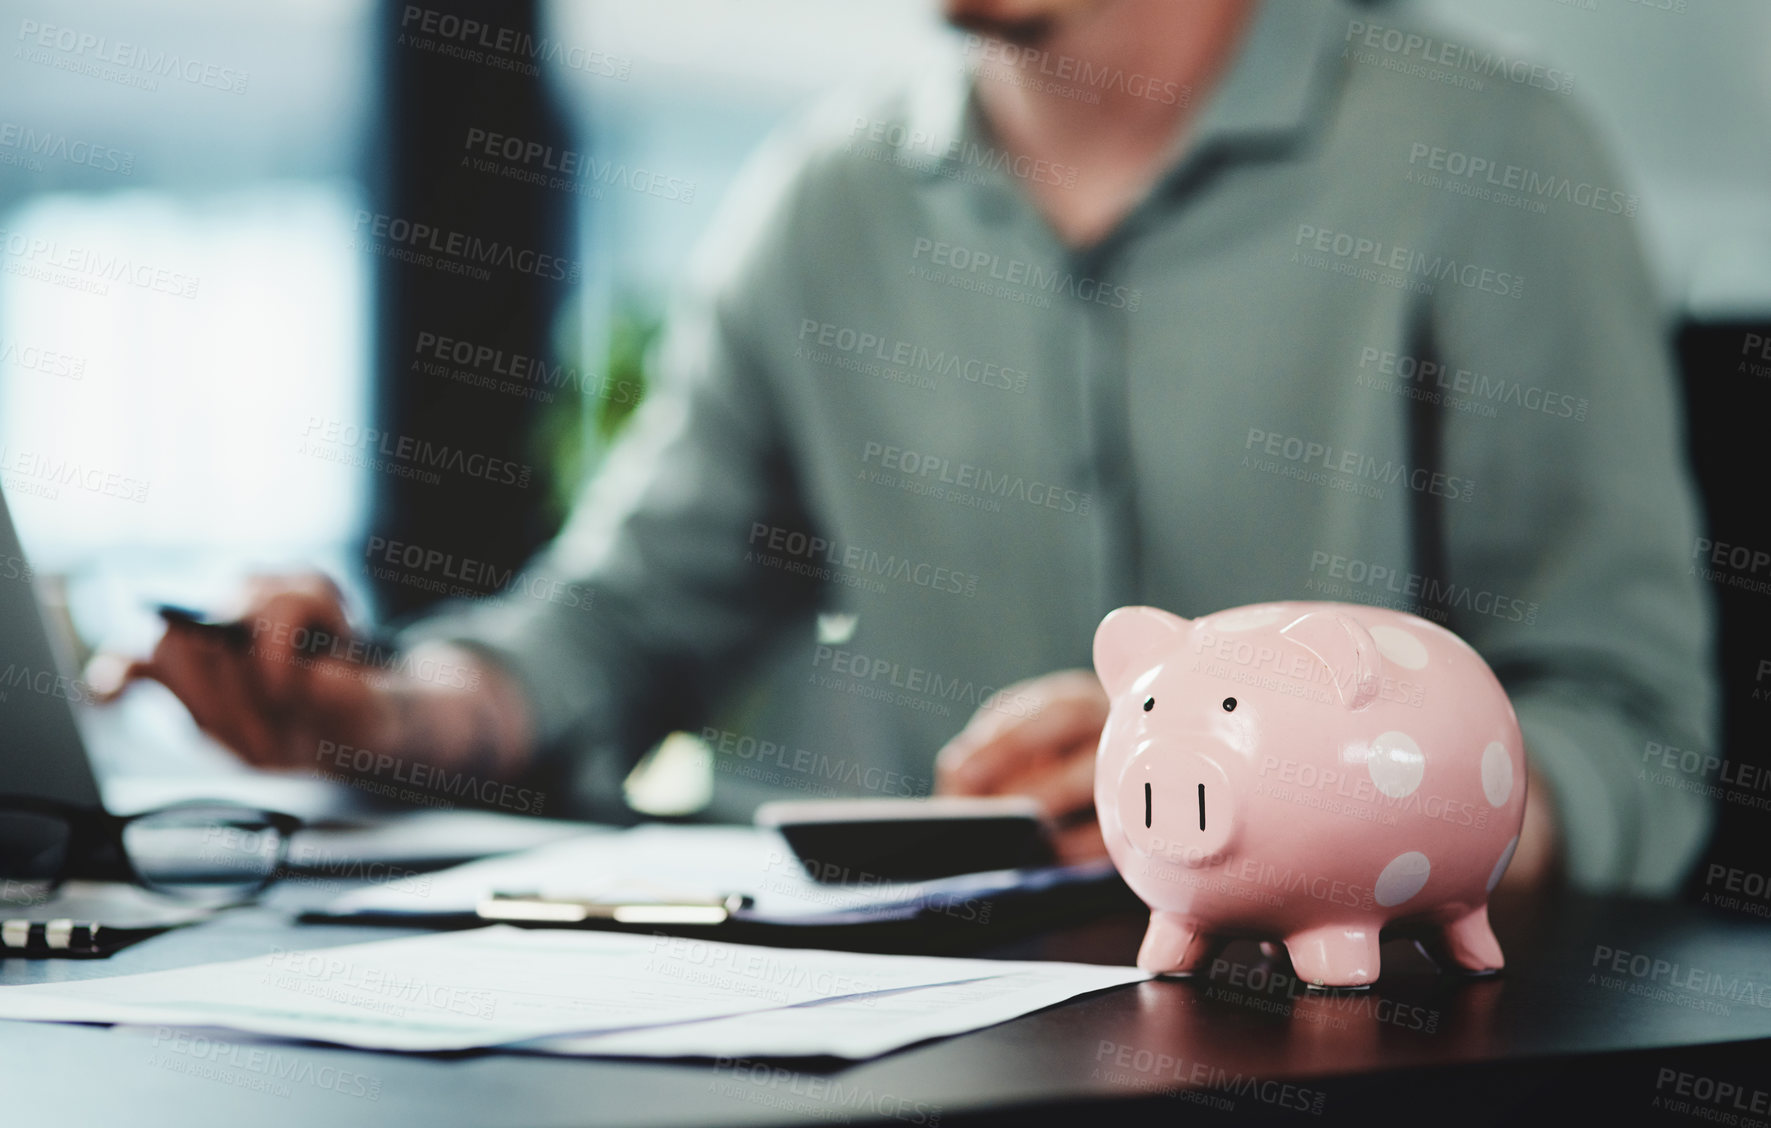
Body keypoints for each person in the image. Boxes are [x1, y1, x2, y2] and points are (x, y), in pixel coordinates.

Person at [94, 0, 1715, 896]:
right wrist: (376, 710)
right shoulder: (830, 202)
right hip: (941, 1048)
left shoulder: (1485, 163)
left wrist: (1283, 786)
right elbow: (619, 626)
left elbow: (1633, 742)